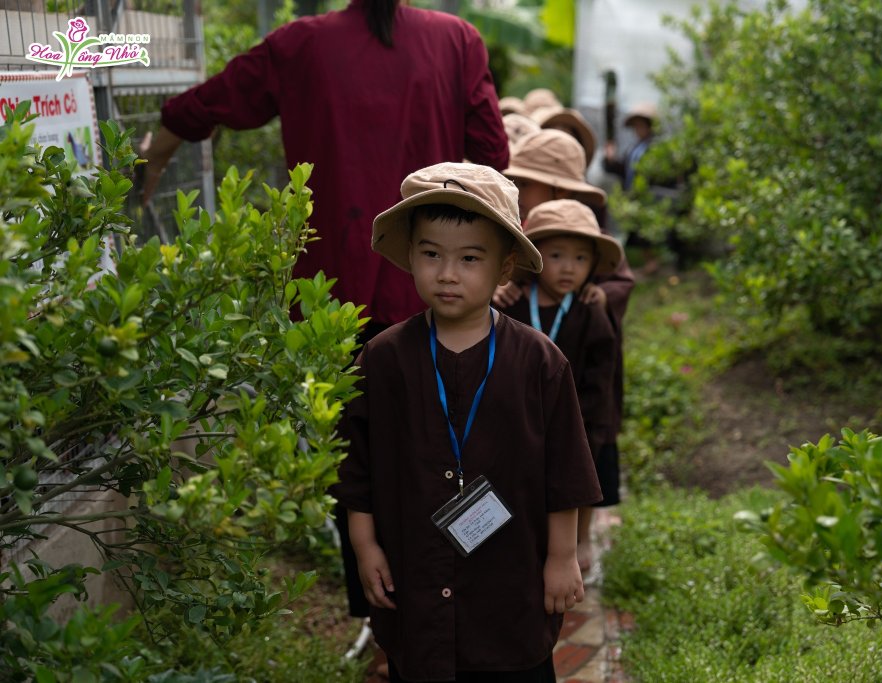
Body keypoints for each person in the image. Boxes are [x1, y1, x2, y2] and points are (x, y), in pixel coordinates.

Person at [333, 162, 602, 682]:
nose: (447, 273)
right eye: (431, 254)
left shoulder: (540, 362)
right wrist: (365, 547)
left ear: (504, 267)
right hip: (414, 571)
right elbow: (355, 466)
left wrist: (562, 557)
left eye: (470, 258)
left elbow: (564, 469)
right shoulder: (382, 358)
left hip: (512, 579)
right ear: (410, 254)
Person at [142, 0, 509, 335]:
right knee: (424, 404)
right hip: (427, 284)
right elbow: (493, 151)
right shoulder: (457, 40)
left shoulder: (300, 42)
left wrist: (154, 157)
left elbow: (213, 100)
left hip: (326, 289)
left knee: (330, 404)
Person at [496, 129, 635, 573]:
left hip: (580, 387)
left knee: (585, 463)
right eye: (557, 256)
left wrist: (594, 293)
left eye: (528, 183)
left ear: (554, 187)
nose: (521, 192)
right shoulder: (517, 229)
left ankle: (577, 543)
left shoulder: (588, 232)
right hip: (527, 399)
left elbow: (619, 282)